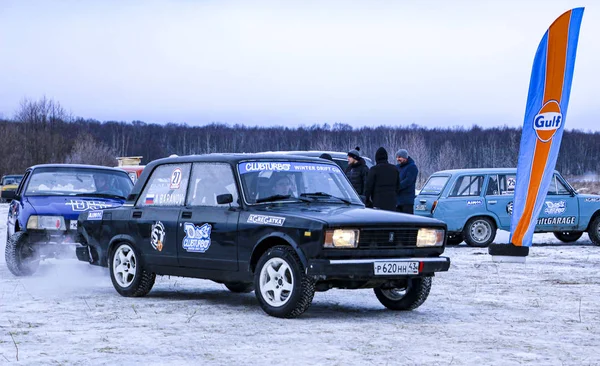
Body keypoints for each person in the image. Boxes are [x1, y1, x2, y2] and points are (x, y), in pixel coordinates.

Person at [364, 147, 400, 211]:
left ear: (376, 158)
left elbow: (368, 187)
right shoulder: (394, 169)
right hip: (391, 202)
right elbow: (398, 186)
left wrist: (366, 201)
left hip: (378, 202)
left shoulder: (374, 169)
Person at [395, 149, 418, 214]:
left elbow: (408, 181)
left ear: (405, 157)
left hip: (407, 201)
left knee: (407, 221)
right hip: (398, 200)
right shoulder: (397, 167)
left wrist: (397, 187)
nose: (397, 159)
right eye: (397, 157)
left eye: (399, 157)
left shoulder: (412, 167)